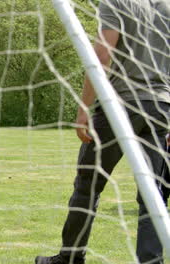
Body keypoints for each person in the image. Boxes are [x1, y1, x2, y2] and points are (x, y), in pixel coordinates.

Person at [35, 0, 169, 263]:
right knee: (153, 193)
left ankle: (70, 258)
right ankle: (151, 261)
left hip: (119, 105)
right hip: (162, 108)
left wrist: (84, 107)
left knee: (88, 186)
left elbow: (102, 55)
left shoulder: (116, 1)